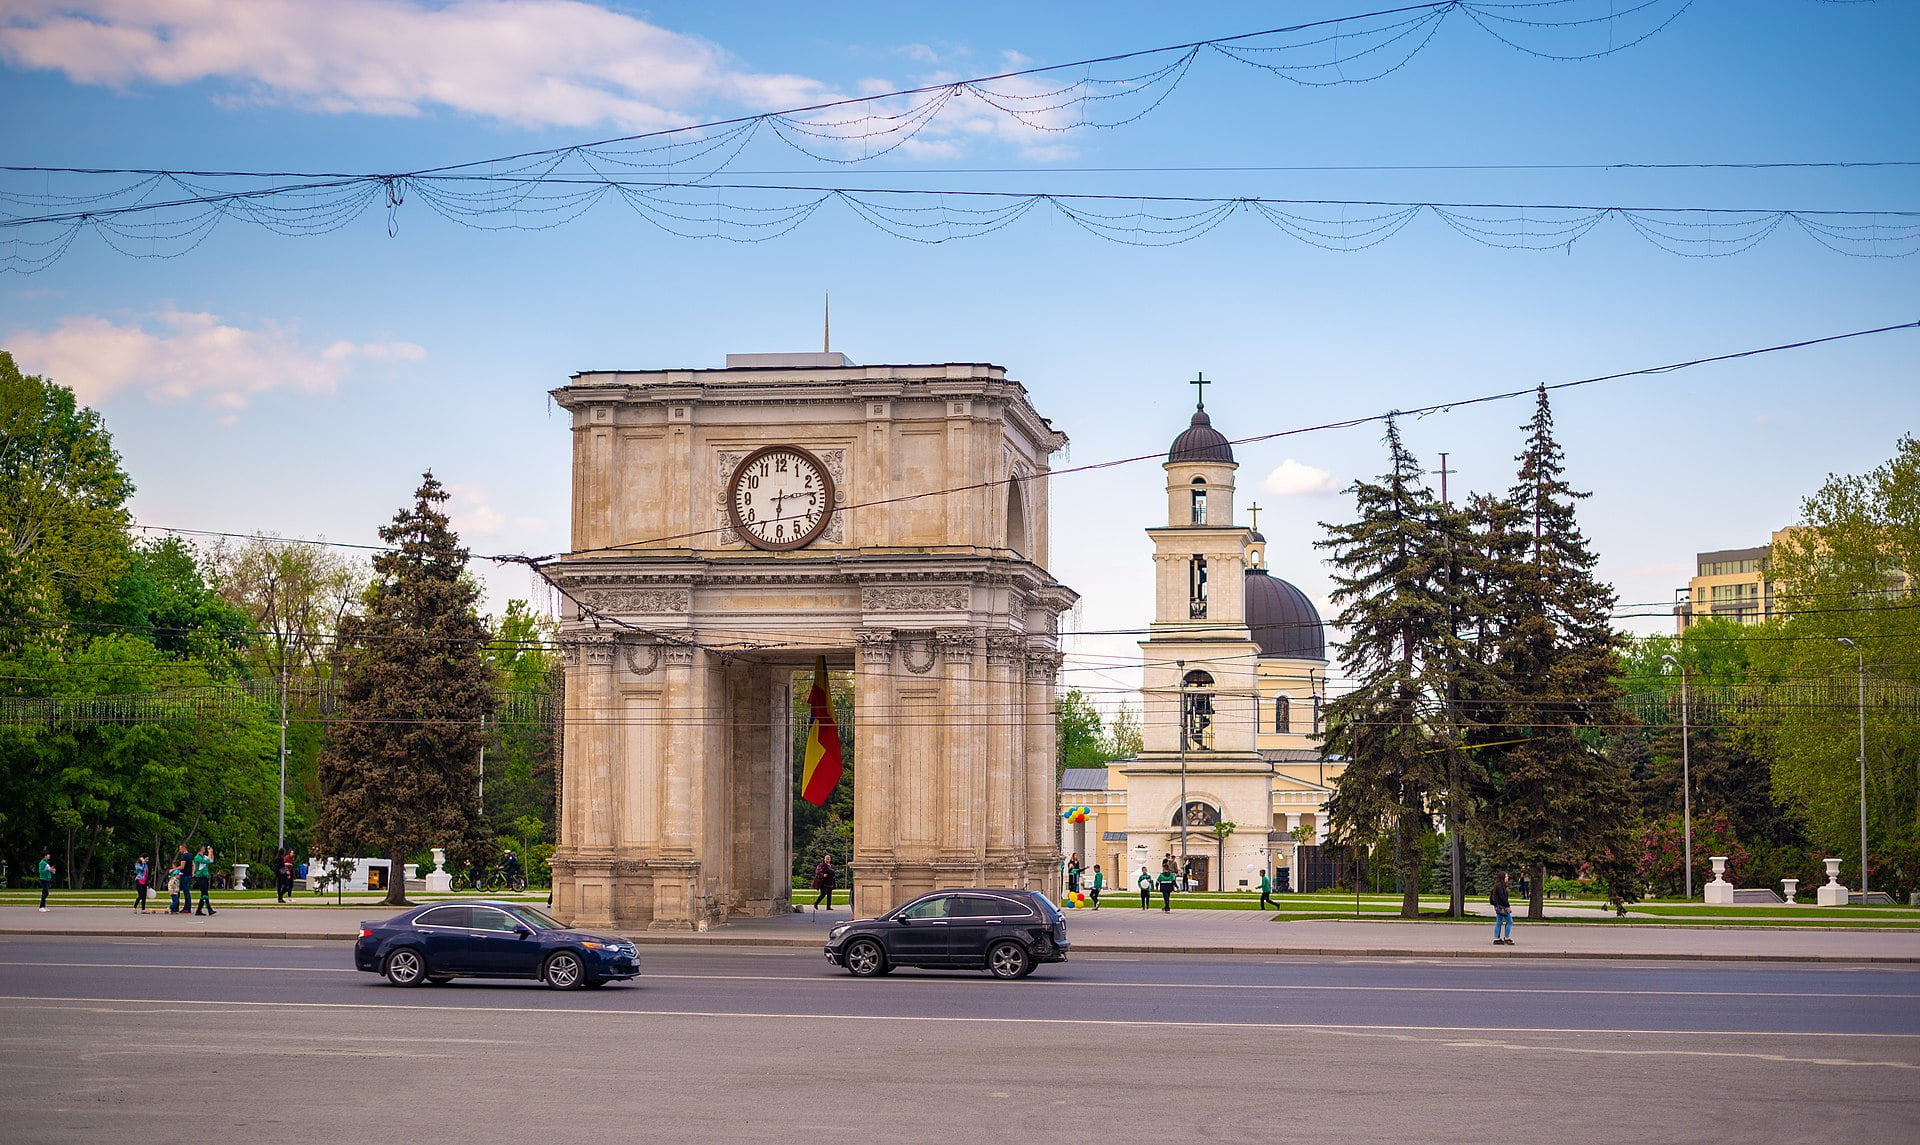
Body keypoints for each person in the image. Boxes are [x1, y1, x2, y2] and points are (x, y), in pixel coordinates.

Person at [193, 844, 216, 916]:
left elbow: (211, 860)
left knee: (204, 894)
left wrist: (211, 853)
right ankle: (209, 909)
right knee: (205, 893)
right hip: (200, 877)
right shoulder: (197, 857)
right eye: (203, 848)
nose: (204, 849)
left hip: (205, 877)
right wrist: (209, 853)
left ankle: (199, 910)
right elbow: (206, 861)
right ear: (201, 849)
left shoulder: (204, 856)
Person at [1491, 871, 1514, 945]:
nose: (1507, 878)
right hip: (1502, 907)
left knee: (1499, 922)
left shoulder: (1498, 885)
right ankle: (1506, 938)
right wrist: (1507, 906)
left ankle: (1496, 938)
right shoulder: (1500, 886)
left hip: (1498, 906)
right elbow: (1503, 897)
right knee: (1510, 921)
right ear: (1503, 877)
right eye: (1506, 876)